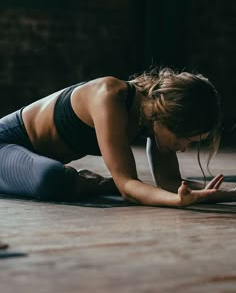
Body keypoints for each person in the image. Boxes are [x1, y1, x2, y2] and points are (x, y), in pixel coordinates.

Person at [0, 67, 235, 207]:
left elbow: (170, 183)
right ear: (166, 115)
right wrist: (178, 202)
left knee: (53, 175)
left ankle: (80, 182)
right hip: (5, 143)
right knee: (50, 178)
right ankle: (93, 183)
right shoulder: (108, 97)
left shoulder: (151, 117)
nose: (184, 148)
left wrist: (225, 194)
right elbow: (128, 188)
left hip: (33, 160)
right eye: (186, 139)